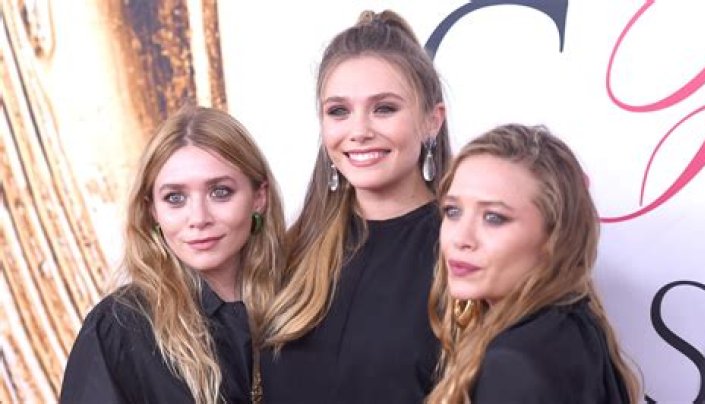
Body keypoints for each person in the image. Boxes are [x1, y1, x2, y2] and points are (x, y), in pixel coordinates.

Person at [259, 9, 450, 403]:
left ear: (432, 121)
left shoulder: (463, 250)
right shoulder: (292, 251)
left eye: (384, 108)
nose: (359, 131)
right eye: (339, 111)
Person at [59, 106, 286, 404]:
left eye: (220, 192)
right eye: (175, 198)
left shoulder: (304, 304)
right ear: (153, 210)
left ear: (259, 197)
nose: (199, 218)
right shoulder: (119, 329)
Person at [427, 124, 640, 403]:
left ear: (555, 236)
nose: (461, 238)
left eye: (493, 217)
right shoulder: (575, 327)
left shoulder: (514, 365)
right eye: (453, 211)